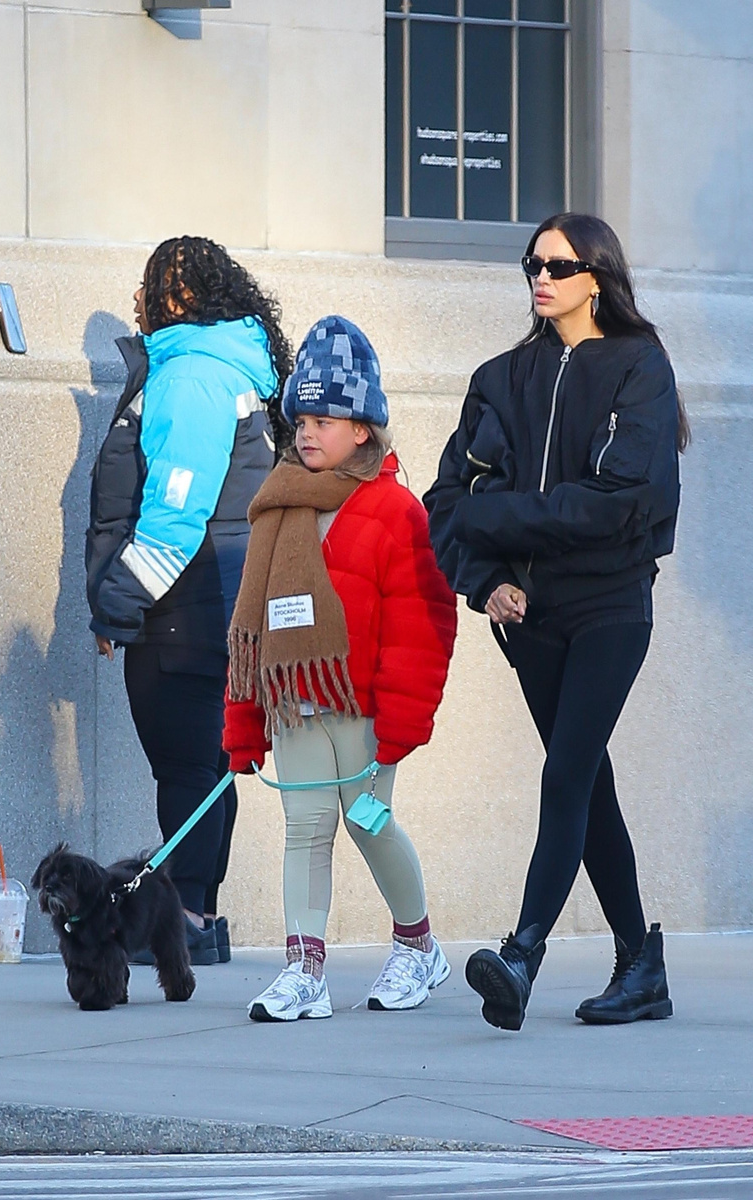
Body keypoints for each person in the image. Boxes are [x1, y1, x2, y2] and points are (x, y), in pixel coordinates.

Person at [424, 213, 689, 1032]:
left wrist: (499, 519)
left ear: (597, 277)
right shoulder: (500, 378)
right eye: (532, 263)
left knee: (567, 771)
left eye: (559, 265)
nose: (541, 277)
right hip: (530, 616)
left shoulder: (639, 367)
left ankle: (522, 953)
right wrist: (487, 582)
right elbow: (446, 504)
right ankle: (640, 964)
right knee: (585, 779)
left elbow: (624, 502)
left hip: (611, 605)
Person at [223, 316, 457, 1020]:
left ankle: (417, 947)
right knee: (305, 830)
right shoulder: (275, 507)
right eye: (301, 419)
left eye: (323, 420)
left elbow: (421, 623)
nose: (307, 433)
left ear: (361, 429)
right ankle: (305, 971)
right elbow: (252, 631)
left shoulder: (395, 510)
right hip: (293, 705)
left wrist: (402, 721)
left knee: (368, 822)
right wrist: (243, 726)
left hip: (363, 710)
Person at [86, 235, 291, 964]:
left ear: (176, 296)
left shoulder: (192, 375)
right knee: (206, 763)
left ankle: (189, 922)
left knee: (186, 768)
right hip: (217, 601)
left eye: (146, 286)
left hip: (183, 603)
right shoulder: (225, 364)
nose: (136, 300)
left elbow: (174, 516)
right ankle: (201, 917)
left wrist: (117, 605)